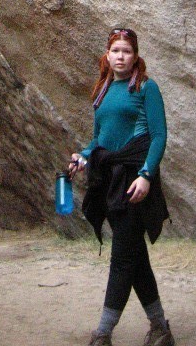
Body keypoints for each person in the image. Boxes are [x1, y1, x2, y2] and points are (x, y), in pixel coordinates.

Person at [68, 27, 174, 346]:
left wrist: (146, 174)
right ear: (107, 54)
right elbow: (99, 138)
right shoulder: (102, 89)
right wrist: (84, 157)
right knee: (133, 254)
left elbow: (158, 136)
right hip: (109, 179)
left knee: (122, 256)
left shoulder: (145, 87)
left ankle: (103, 332)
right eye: (115, 50)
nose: (121, 56)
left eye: (127, 51)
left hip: (134, 177)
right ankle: (160, 328)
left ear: (135, 55)